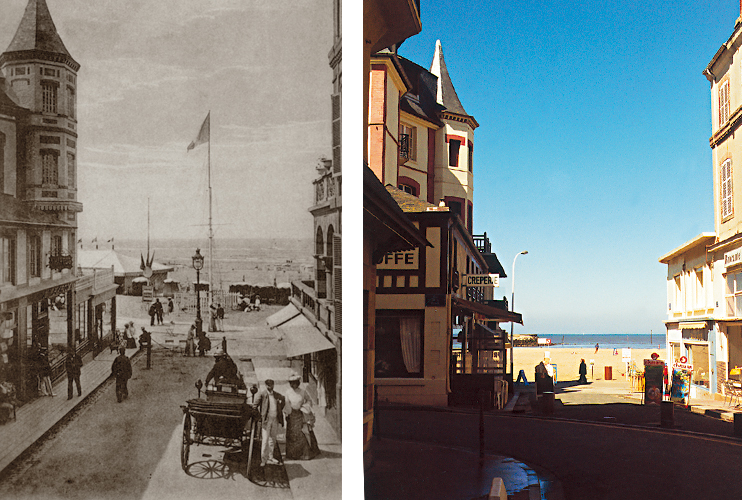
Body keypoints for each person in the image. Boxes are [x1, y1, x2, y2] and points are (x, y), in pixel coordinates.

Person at [284, 373, 320, 460]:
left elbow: (309, 400)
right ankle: (293, 454)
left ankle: (305, 453)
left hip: (301, 414)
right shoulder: (288, 392)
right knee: (292, 434)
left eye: (295, 383)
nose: (293, 385)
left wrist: (305, 407)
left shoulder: (302, 392)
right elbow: (286, 404)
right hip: (291, 415)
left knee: (303, 433)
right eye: (291, 383)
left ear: (298, 383)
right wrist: (287, 413)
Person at [255, 379, 285, 467]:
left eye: (271, 385)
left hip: (275, 419)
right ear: (266, 385)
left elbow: (283, 399)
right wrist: (260, 416)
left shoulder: (276, 395)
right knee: (265, 440)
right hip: (266, 420)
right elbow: (255, 405)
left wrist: (280, 409)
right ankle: (263, 460)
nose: (270, 387)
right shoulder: (262, 394)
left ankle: (270, 457)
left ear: (273, 385)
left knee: (273, 439)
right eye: (268, 385)